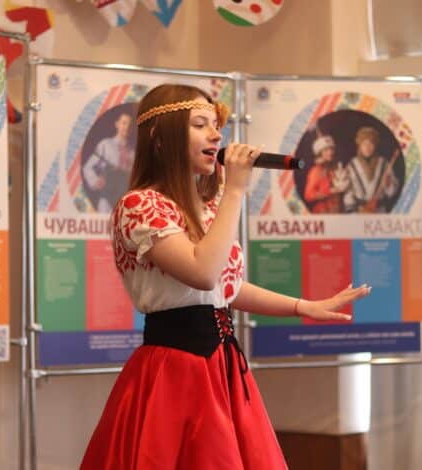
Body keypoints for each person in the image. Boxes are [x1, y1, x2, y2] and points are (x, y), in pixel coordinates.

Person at [80, 84, 371, 469]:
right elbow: (202, 273)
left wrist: (303, 306)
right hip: (175, 370)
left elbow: (223, 287)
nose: (216, 136)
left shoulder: (205, 205)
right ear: (160, 139)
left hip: (222, 366)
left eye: (216, 125)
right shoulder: (140, 205)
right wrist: (234, 190)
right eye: (200, 124)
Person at [82, 112, 135, 213]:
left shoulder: (132, 152)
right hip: (107, 200)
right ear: (117, 124)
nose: (127, 127)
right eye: (124, 123)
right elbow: (88, 167)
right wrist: (96, 180)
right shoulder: (106, 145)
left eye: (130, 124)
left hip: (125, 203)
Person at [343, 126, 399, 213]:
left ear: (375, 146)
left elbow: (392, 191)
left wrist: (388, 184)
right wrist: (353, 209)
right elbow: (348, 190)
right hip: (359, 211)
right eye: (364, 144)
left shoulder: (384, 163)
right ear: (359, 145)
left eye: (371, 144)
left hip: (379, 210)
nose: (367, 147)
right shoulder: (352, 165)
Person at [303, 134, 349, 213]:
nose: (330, 152)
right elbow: (308, 195)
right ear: (320, 153)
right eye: (326, 150)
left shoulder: (335, 167)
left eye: (331, 149)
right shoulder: (316, 170)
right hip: (323, 212)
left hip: (338, 211)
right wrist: (328, 191)